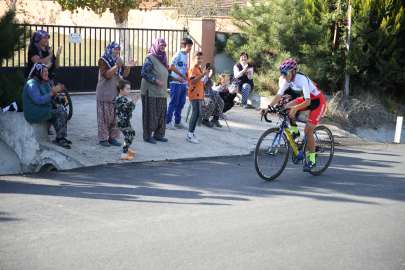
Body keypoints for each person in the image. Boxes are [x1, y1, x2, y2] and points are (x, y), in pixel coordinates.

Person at [260, 58, 326, 172]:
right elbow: (278, 95)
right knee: (286, 108)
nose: (283, 75)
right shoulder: (287, 81)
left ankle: (312, 160)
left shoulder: (302, 80)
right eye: (282, 73)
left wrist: (295, 108)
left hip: (317, 102)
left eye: (286, 73)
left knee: (308, 130)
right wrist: (268, 107)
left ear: (293, 71)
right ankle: (294, 131)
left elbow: (308, 102)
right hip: (305, 99)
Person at [140, 38, 182, 144]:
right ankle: (147, 136)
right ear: (156, 45)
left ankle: (158, 134)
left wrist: (173, 78)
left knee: (161, 114)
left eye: (164, 45)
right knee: (151, 114)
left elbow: (164, 73)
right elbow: (144, 73)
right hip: (151, 91)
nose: (163, 47)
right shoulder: (150, 57)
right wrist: (156, 81)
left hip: (161, 92)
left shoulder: (163, 57)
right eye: (161, 45)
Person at [96, 41, 137, 147]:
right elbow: (106, 75)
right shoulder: (103, 60)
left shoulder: (119, 60)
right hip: (105, 93)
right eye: (115, 49)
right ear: (110, 50)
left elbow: (124, 75)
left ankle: (112, 138)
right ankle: (103, 138)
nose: (117, 51)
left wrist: (127, 67)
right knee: (104, 118)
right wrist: (116, 66)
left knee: (115, 117)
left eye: (118, 49)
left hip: (116, 94)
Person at [22, 63, 71, 149]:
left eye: (47, 71)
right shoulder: (32, 84)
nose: (47, 73)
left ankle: (61, 137)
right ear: (37, 72)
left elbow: (50, 97)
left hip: (43, 109)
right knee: (60, 113)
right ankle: (59, 139)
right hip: (34, 112)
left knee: (61, 111)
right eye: (44, 71)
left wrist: (55, 92)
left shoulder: (44, 82)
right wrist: (51, 93)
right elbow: (38, 100)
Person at [24, 29, 63, 135]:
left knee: (49, 101)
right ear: (38, 39)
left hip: (47, 79)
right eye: (44, 38)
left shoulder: (48, 49)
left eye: (47, 38)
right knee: (39, 101)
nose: (46, 40)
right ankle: (40, 124)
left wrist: (57, 55)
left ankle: (48, 126)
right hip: (35, 80)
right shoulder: (33, 48)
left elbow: (56, 66)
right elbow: (38, 63)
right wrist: (50, 55)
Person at [166, 37, 193, 130]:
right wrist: (182, 74)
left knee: (181, 102)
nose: (190, 48)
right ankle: (168, 121)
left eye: (191, 46)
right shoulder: (178, 54)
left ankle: (177, 122)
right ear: (183, 46)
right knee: (174, 102)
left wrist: (186, 75)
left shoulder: (186, 55)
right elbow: (171, 67)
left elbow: (184, 68)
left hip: (183, 82)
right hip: (176, 82)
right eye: (189, 46)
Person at [112, 79, 139, 161]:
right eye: (127, 89)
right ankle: (124, 154)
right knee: (128, 136)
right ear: (121, 90)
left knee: (132, 133)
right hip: (123, 122)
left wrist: (133, 102)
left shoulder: (121, 99)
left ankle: (127, 148)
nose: (129, 91)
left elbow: (126, 106)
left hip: (125, 121)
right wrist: (134, 102)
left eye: (129, 88)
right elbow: (129, 109)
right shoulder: (121, 100)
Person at [186, 51, 210, 144]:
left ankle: (192, 132)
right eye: (198, 58)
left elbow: (201, 81)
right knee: (195, 114)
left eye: (201, 58)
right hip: (194, 94)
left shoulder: (199, 69)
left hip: (199, 94)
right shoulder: (192, 69)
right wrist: (202, 75)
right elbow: (192, 81)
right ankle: (189, 134)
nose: (200, 60)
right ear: (193, 59)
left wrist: (206, 77)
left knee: (198, 114)